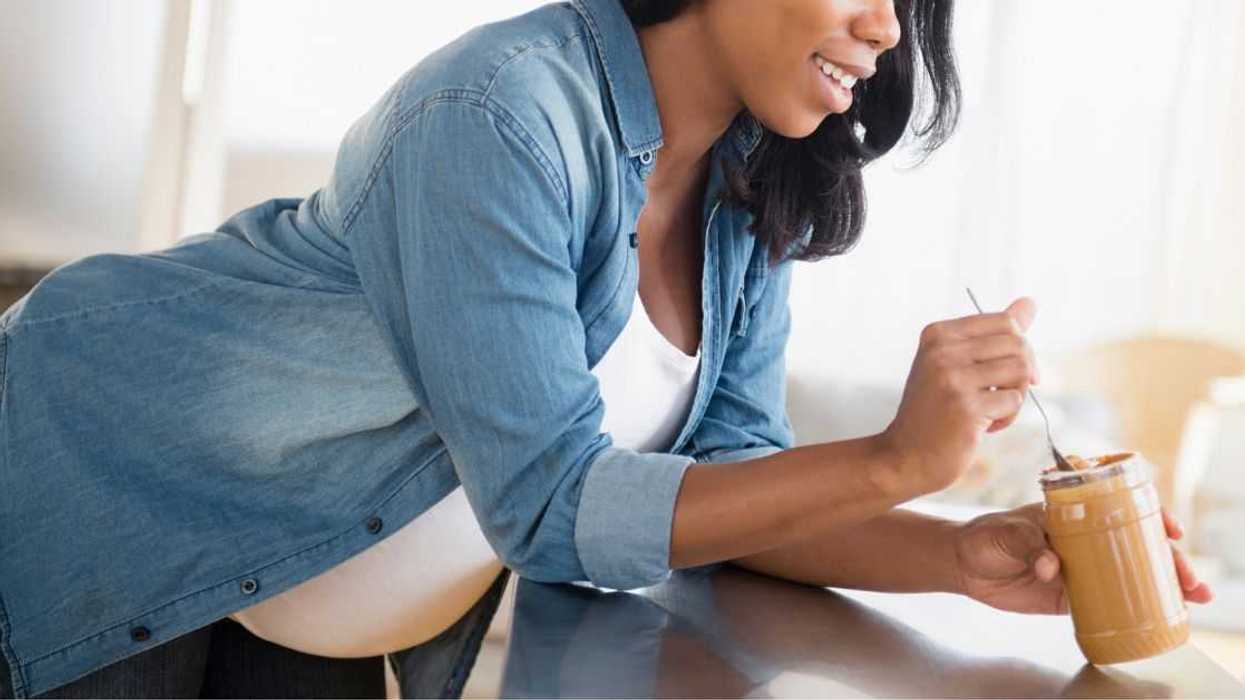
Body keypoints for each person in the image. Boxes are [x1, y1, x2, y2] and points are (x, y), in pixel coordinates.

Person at [0, 0, 1212, 697]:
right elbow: (553, 503)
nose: (885, 28)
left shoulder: (750, 191)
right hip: (100, 489)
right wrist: (896, 459)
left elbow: (736, 484)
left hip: (300, 602)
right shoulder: (499, 116)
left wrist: (959, 553)